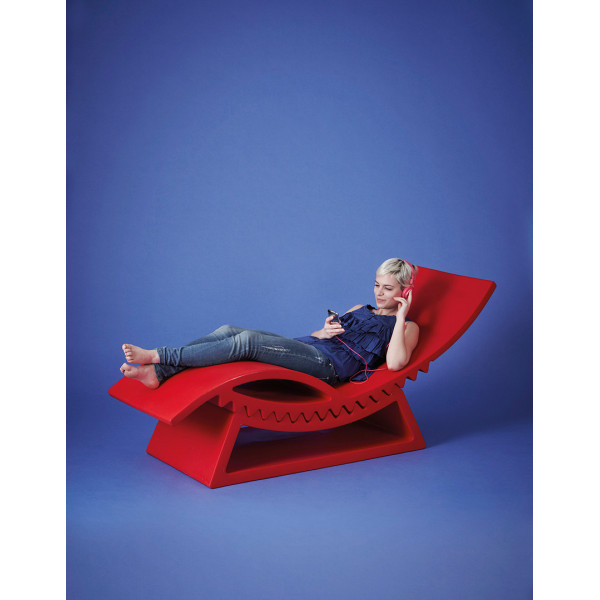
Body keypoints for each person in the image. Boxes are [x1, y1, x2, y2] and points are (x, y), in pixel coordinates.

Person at [120, 258, 420, 389]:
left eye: (388, 288)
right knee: (228, 331)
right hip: (311, 348)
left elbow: (395, 364)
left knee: (246, 342)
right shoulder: (359, 309)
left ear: (404, 292)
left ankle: (159, 356)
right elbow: (317, 335)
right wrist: (325, 331)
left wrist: (400, 316)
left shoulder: (407, 327)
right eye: (377, 285)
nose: (379, 293)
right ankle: (159, 373)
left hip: (328, 368)